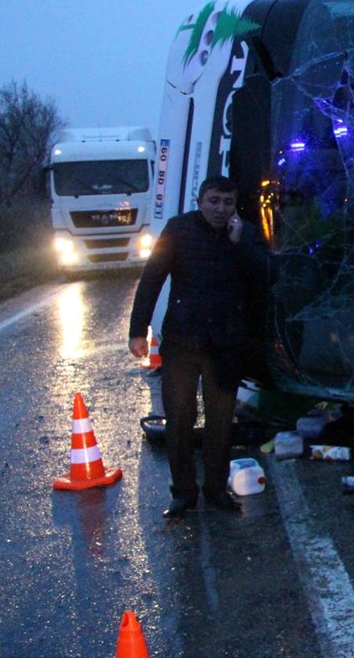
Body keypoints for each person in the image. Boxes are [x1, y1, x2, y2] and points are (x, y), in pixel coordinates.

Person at [128, 175, 269, 518]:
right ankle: (183, 494)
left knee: (221, 421)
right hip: (182, 340)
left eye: (227, 202)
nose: (220, 209)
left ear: (235, 206)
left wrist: (240, 244)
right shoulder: (178, 230)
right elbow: (152, 278)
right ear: (200, 200)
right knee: (179, 418)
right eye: (214, 201)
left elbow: (266, 277)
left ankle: (216, 490)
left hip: (226, 343)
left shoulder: (245, 234)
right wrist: (138, 330)